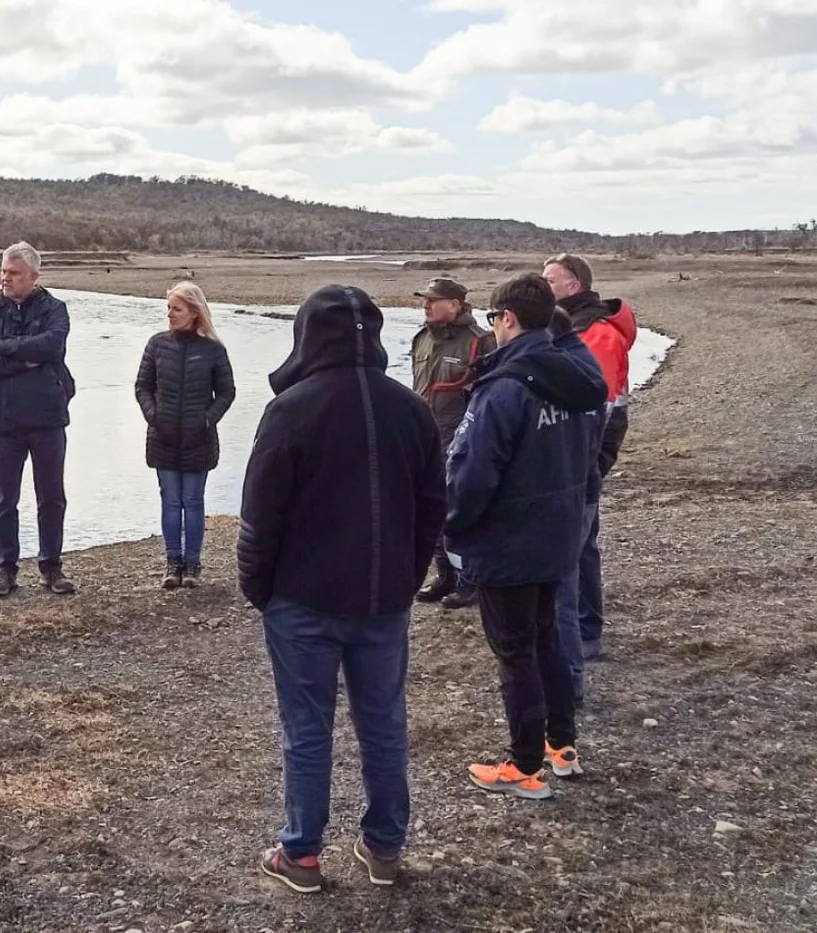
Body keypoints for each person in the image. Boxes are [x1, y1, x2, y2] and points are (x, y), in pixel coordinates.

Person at [239, 285, 446, 892]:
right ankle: (384, 847)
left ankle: (302, 854)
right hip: (379, 599)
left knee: (308, 729)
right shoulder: (410, 408)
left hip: (305, 601)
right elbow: (434, 507)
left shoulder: (291, 410)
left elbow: (259, 517)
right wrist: (406, 577)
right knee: (382, 722)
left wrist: (262, 590)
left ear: (307, 335)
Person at [445, 274, 606, 801]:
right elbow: (590, 451)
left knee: (516, 651)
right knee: (545, 640)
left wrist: (451, 524)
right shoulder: (576, 375)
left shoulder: (506, 387)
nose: (492, 328)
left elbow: (472, 473)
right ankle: (562, 746)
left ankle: (525, 765)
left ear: (506, 319)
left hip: (510, 540)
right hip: (558, 530)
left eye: (494, 318)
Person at [0, 241, 77, 598]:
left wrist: (3, 348)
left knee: (51, 497)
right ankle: (5, 569)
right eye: (3, 271)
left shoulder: (55, 310)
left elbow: (51, 347)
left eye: (13, 273)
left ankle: (51, 567)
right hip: (2, 421)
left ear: (33, 276)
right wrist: (25, 360)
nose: (5, 279)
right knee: (3, 500)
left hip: (47, 418)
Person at [542, 254, 638, 661]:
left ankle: (586, 628)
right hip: (573, 458)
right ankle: (574, 624)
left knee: (579, 545)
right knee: (573, 543)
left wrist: (588, 466)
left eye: (550, 280)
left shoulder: (594, 334)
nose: (543, 286)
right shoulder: (569, 328)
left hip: (582, 460)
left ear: (573, 285)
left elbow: (599, 410)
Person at [133, 282, 236, 589]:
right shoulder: (156, 344)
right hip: (162, 437)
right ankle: (172, 563)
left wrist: (206, 420)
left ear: (194, 312)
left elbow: (227, 393)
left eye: (176, 309)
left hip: (198, 439)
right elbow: (142, 387)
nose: (170, 315)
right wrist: (153, 416)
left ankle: (192, 564)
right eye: (168, 308)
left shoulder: (213, 350)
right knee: (170, 500)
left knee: (192, 500)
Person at [408, 277, 496, 610]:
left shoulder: (481, 342)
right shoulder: (421, 339)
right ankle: (444, 575)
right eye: (425, 300)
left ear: (456, 305)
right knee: (429, 509)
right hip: (424, 436)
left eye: (433, 300)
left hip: (462, 438)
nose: (426, 305)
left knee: (462, 510)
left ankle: (469, 580)